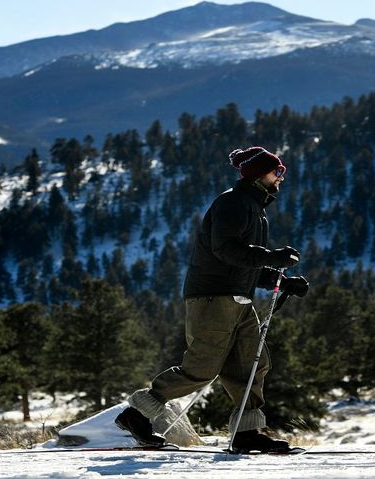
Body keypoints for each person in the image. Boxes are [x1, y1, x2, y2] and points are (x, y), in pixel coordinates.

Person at [114, 146, 309, 453]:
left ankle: (247, 433)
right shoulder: (231, 203)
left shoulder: (254, 210)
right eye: (277, 171)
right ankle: (136, 415)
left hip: (238, 298)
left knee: (251, 366)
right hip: (213, 297)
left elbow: (241, 263)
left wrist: (279, 281)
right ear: (259, 175)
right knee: (201, 368)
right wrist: (272, 257)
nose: (281, 177)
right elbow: (226, 249)